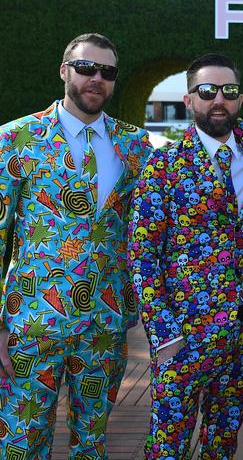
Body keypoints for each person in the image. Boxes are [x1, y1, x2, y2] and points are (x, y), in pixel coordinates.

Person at [0, 33, 151, 458]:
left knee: (92, 444)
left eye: (107, 72)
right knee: (20, 442)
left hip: (105, 322)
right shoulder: (18, 139)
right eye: (87, 68)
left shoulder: (135, 145)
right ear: (65, 71)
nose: (96, 78)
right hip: (32, 321)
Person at [127, 53, 243, 459]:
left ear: (240, 99)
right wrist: (164, 334)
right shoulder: (164, 164)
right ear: (189, 100)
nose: (219, 100)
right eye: (207, 91)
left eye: (229, 91)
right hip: (182, 336)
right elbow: (142, 254)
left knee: (223, 444)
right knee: (167, 446)